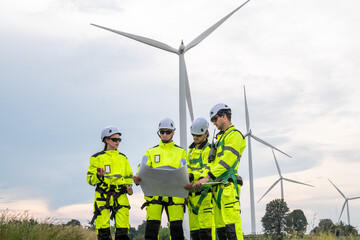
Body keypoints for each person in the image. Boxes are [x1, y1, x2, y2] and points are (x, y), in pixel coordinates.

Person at [193, 104, 246, 240]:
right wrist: (198, 179)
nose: (214, 123)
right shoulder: (219, 139)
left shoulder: (235, 136)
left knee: (232, 229)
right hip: (217, 190)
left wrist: (207, 178)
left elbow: (226, 162)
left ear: (224, 116)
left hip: (228, 189)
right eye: (212, 121)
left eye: (215, 119)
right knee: (221, 231)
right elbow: (211, 165)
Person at [133, 118, 188, 240]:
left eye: (168, 132)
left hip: (175, 197)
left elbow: (186, 172)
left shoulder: (181, 152)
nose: (164, 134)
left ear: (173, 132)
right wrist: (138, 177)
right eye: (162, 132)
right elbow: (141, 167)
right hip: (155, 196)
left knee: (177, 233)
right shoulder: (151, 152)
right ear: (159, 132)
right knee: (151, 233)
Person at [87, 126, 133, 240]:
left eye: (119, 140)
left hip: (121, 196)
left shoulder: (123, 158)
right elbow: (90, 179)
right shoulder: (96, 158)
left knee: (123, 232)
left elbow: (128, 176)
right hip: (103, 196)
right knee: (103, 233)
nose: (117, 142)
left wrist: (129, 187)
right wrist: (98, 176)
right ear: (106, 140)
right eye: (114, 139)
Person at [185, 117, 215, 240]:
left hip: (204, 196)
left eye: (198, 135)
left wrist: (192, 176)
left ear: (206, 133)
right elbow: (187, 167)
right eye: (193, 135)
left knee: (206, 232)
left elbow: (207, 170)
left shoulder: (209, 149)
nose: (195, 137)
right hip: (192, 197)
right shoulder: (191, 150)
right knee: (195, 233)